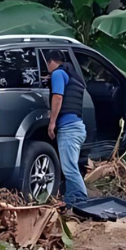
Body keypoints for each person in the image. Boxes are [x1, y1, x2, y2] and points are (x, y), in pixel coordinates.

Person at [45, 49, 89, 206]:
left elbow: (58, 96)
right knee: (71, 167)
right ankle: (72, 201)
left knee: (70, 169)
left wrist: (52, 122)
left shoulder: (58, 74)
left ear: (51, 61)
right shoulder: (71, 75)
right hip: (77, 126)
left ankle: (82, 201)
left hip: (68, 129)